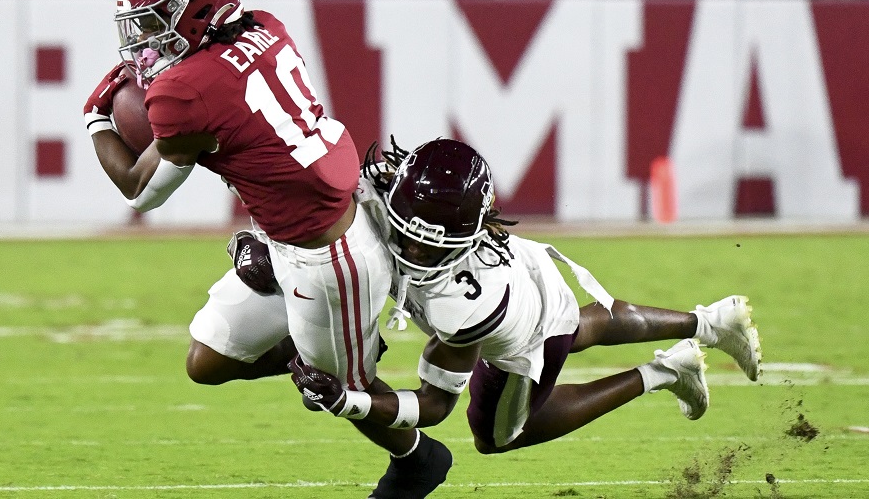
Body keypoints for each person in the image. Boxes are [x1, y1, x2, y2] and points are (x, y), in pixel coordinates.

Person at [82, 0, 450, 498]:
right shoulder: (265, 25)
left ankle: (416, 459)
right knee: (205, 362)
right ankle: (330, 343)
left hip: (330, 255)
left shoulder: (183, 93)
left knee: (341, 390)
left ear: (197, 10)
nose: (142, 39)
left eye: (156, 19)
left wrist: (94, 118)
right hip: (301, 223)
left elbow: (140, 190)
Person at [288, 138, 763, 455]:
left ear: (467, 237)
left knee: (496, 436)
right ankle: (710, 323)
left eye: (431, 242)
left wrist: (351, 403)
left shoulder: (465, 306)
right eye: (407, 229)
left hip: (525, 327)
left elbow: (433, 406)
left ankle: (663, 372)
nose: (412, 248)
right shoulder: (376, 189)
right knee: (582, 326)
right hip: (528, 269)